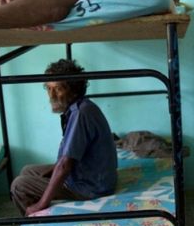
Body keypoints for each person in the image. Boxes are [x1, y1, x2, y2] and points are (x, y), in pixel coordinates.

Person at [10, 59, 117, 216]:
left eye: (58, 89)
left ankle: (36, 218)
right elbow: (67, 159)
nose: (52, 95)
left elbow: (65, 165)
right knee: (28, 170)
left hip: (90, 186)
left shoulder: (81, 113)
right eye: (48, 88)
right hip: (87, 175)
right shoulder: (79, 108)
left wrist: (41, 203)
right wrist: (49, 174)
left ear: (73, 90)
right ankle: (37, 214)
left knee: (19, 185)